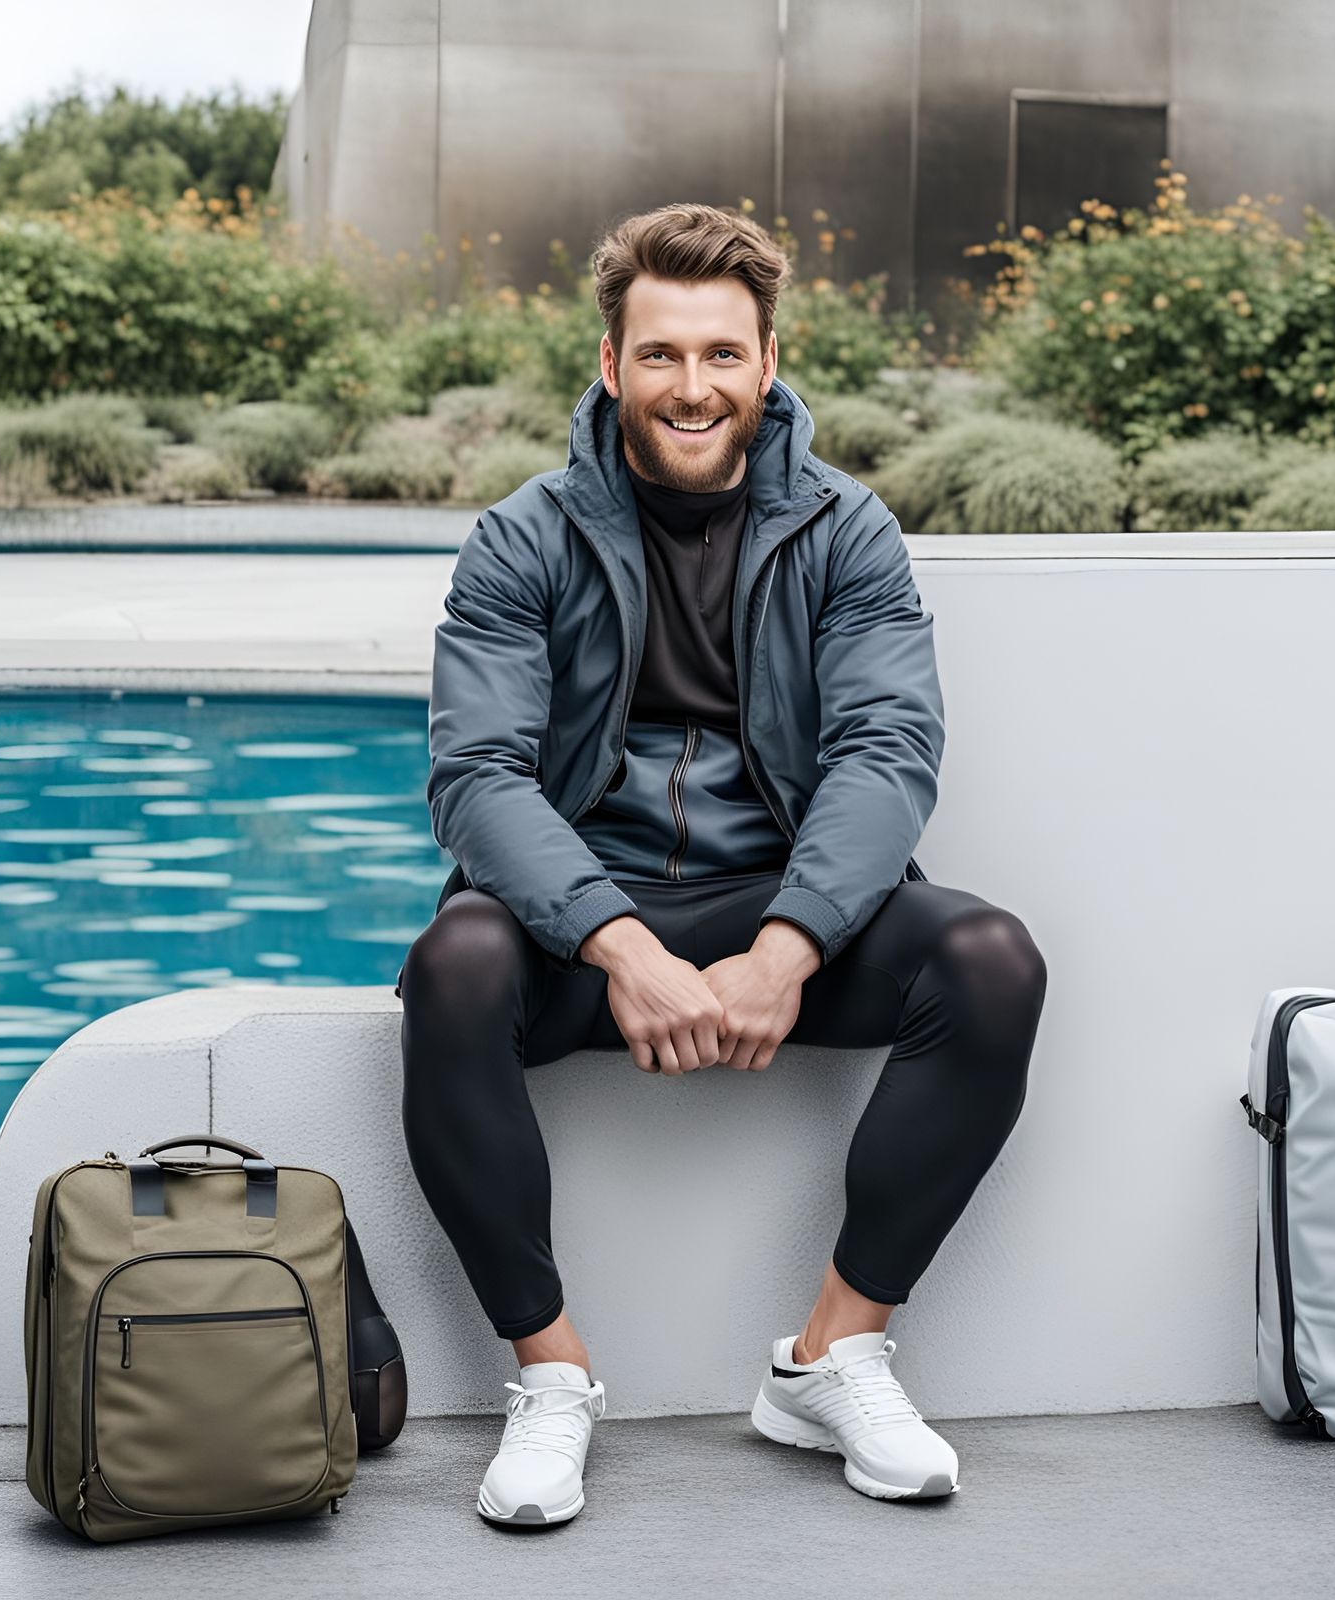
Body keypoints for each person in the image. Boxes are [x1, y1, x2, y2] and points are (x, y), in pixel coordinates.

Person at [396, 201, 1047, 1525]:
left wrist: (791, 945)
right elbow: (477, 778)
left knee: (990, 962)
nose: (692, 389)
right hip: (585, 925)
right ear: (610, 364)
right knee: (453, 966)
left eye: (720, 356)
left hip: (775, 909)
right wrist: (619, 943)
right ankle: (552, 1377)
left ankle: (833, 1352)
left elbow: (886, 751)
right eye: (660, 356)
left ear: (766, 361)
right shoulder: (523, 537)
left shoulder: (846, 530)